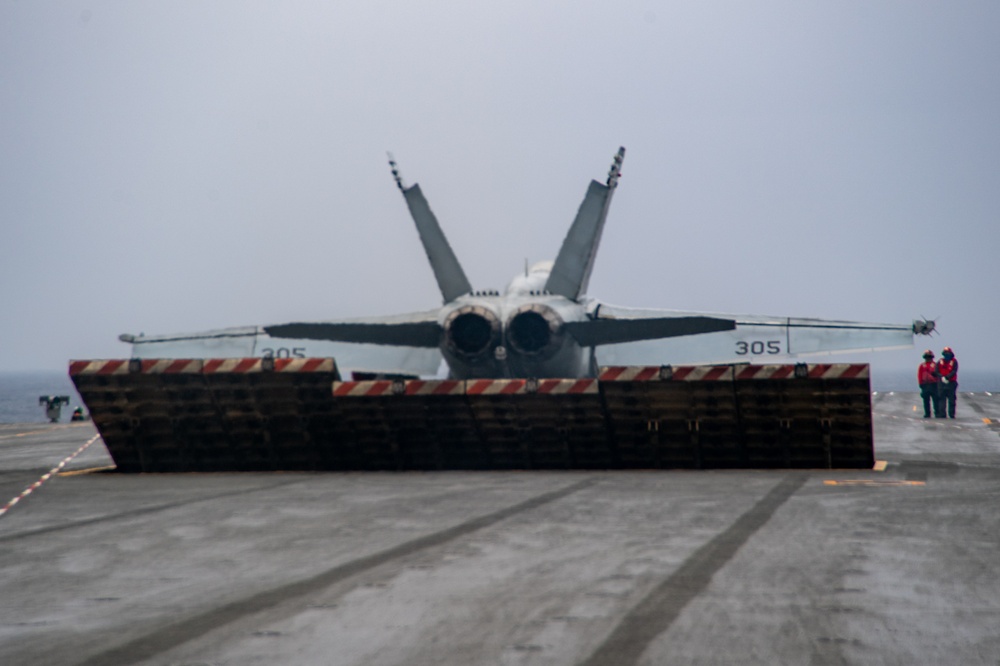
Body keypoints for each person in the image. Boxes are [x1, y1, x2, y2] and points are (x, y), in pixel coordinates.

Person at [937, 347, 959, 418]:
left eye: (948, 353)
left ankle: (951, 414)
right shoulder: (940, 361)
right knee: (941, 399)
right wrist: (942, 377)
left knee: (952, 400)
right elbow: (936, 371)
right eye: (945, 353)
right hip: (942, 383)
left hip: (951, 383)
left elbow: (954, 370)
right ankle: (942, 414)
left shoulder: (954, 361)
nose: (946, 355)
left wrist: (947, 377)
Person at [917, 350, 940, 418]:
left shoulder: (935, 365)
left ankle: (937, 413)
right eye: (927, 357)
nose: (928, 358)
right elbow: (919, 375)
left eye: (929, 357)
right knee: (926, 401)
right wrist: (920, 383)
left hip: (934, 384)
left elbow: (938, 374)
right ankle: (927, 413)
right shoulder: (922, 365)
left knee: (935, 400)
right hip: (925, 385)